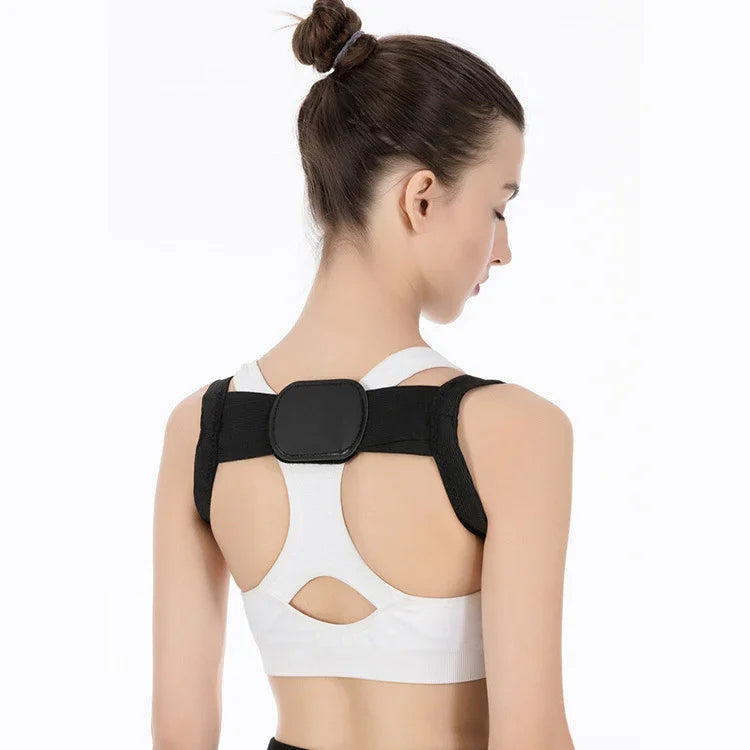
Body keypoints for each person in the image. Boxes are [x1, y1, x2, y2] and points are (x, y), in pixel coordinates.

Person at [151, 1, 575, 748]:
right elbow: (531, 736)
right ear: (421, 197)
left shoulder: (202, 429)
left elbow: (179, 732)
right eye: (498, 207)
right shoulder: (510, 430)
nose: (503, 249)